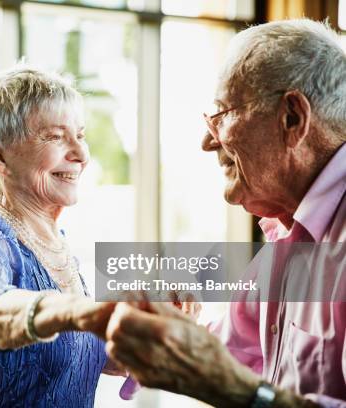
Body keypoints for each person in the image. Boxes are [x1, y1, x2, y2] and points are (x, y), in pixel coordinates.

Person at [106, 19, 346, 407]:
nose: (206, 141)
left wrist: (234, 390)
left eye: (220, 114)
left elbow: (231, 380)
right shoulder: (288, 234)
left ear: (292, 119)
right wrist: (171, 329)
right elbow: (234, 352)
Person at [0, 66, 121, 407]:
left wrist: (147, 322)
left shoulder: (56, 245)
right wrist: (81, 311)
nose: (80, 153)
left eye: (80, 134)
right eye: (54, 136)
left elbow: (73, 358)